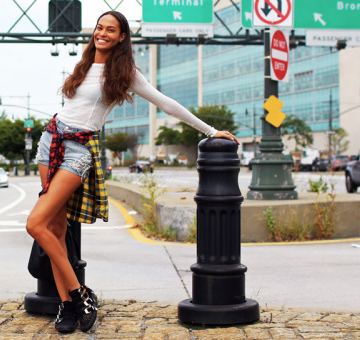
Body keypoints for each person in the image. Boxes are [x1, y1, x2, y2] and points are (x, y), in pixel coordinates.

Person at [25, 10, 239, 334]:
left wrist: (210, 130)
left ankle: (82, 295)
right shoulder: (83, 65)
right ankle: (68, 307)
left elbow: (165, 103)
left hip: (78, 151)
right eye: (100, 27)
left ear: (122, 36)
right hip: (50, 141)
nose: (103, 33)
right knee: (53, 229)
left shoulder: (124, 72)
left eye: (111, 30)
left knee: (35, 224)